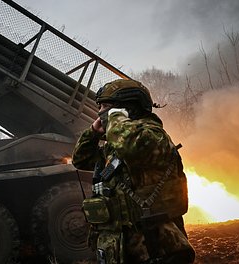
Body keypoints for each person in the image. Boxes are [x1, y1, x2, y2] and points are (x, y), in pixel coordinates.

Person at [72, 79, 195, 264]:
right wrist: (93, 133)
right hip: (121, 246)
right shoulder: (114, 146)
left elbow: (130, 146)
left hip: (154, 246)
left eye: (106, 106)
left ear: (128, 108)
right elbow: (80, 160)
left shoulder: (153, 135)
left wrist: (115, 118)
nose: (100, 112)